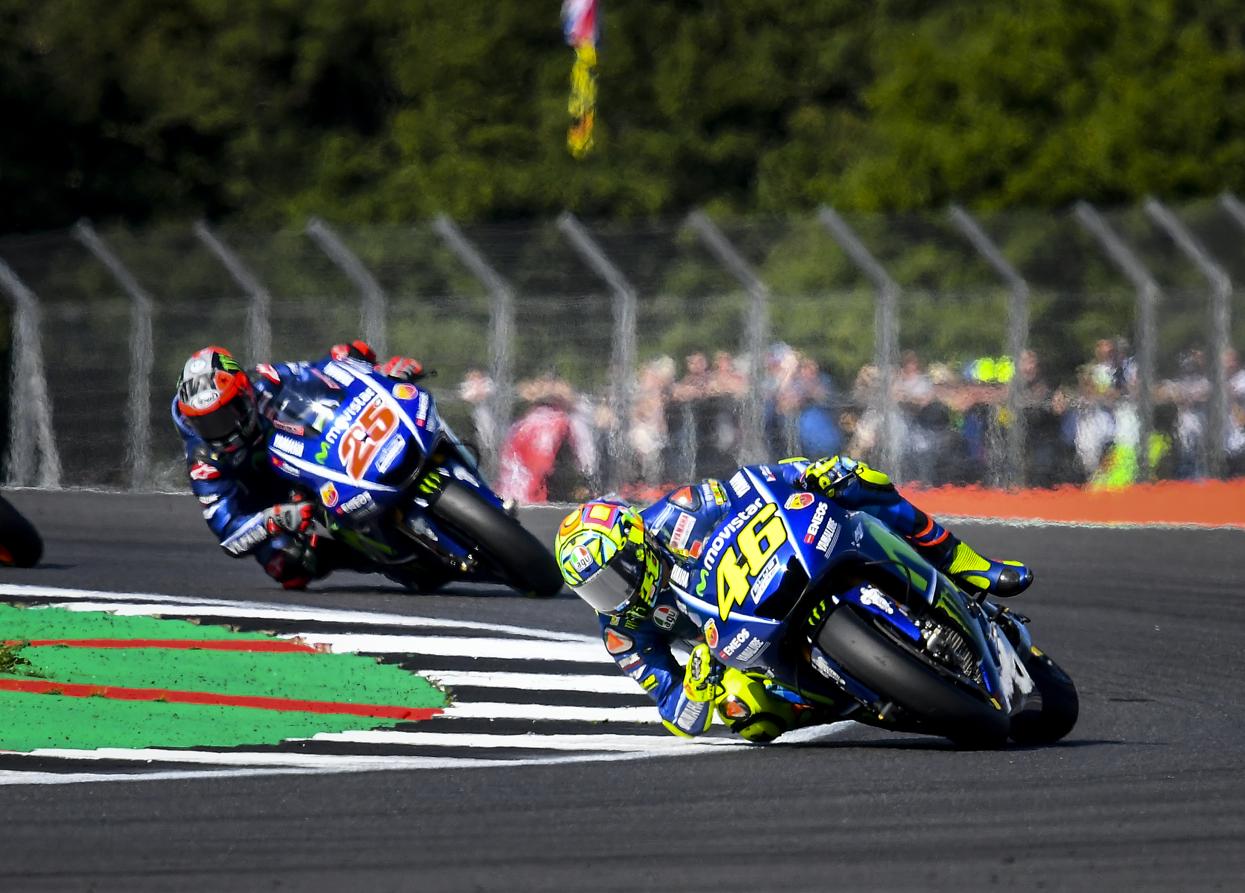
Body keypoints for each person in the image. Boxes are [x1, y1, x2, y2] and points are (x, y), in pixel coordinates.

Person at [553, 455, 1032, 743]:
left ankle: (969, 563)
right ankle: (860, 699)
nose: (611, 596)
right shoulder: (620, 631)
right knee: (748, 718)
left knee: (859, 480)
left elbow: (752, 483)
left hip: (780, 566)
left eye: (614, 577)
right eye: (593, 589)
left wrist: (810, 473)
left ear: (637, 548)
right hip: (745, 646)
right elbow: (676, 717)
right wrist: (696, 687)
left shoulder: (677, 513)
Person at [172, 339, 424, 589]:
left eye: (227, 415)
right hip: (270, 503)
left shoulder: (267, 380)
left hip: (313, 456)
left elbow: (319, 372)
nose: (221, 431)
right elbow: (228, 532)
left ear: (244, 392)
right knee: (287, 566)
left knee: (348, 351)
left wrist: (371, 369)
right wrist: (272, 520)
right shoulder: (204, 462)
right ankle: (385, 562)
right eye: (206, 424)